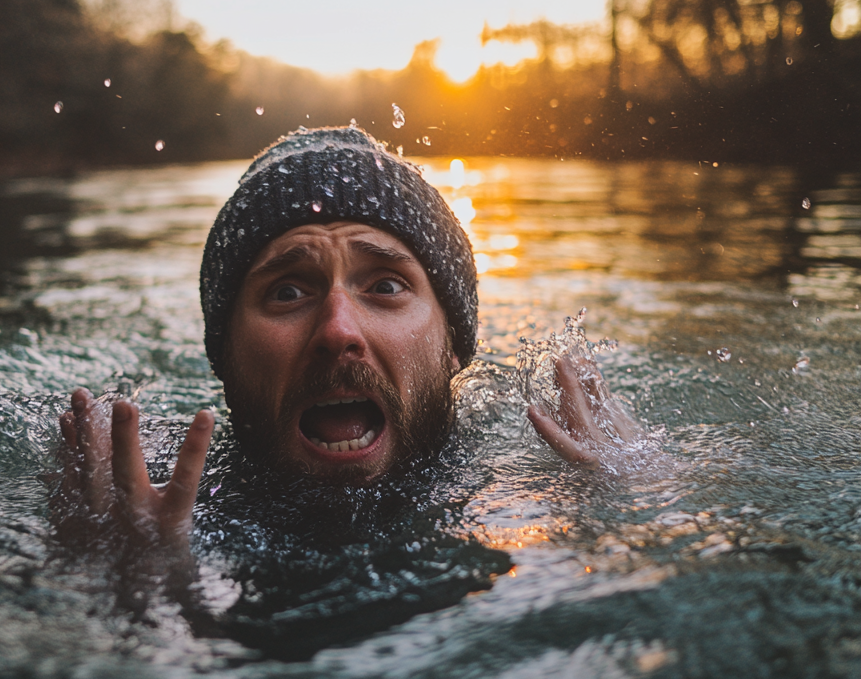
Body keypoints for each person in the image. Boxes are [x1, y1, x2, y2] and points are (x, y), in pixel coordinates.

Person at [56, 126, 640, 553]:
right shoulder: (146, 494)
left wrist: (632, 506)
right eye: (287, 293)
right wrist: (128, 572)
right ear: (224, 357)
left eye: (385, 285)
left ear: (454, 348)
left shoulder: (525, 483)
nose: (338, 330)